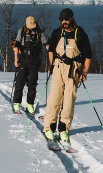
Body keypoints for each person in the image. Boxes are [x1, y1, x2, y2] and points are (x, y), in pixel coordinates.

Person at [42, 8, 92, 148]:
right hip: (58, 68)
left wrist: (84, 72)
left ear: (72, 18)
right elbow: (51, 49)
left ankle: (64, 130)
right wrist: (52, 65)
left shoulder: (80, 34)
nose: (63, 22)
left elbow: (88, 56)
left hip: (74, 70)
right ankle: (49, 129)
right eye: (61, 19)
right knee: (54, 99)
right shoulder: (57, 33)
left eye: (66, 19)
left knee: (69, 101)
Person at [11, 16, 48, 115]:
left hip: (34, 62)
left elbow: (46, 44)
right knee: (19, 83)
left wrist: (51, 49)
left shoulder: (39, 32)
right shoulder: (22, 32)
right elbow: (16, 46)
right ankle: (16, 103)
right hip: (23, 60)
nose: (32, 28)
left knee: (32, 85)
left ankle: (30, 104)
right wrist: (16, 59)